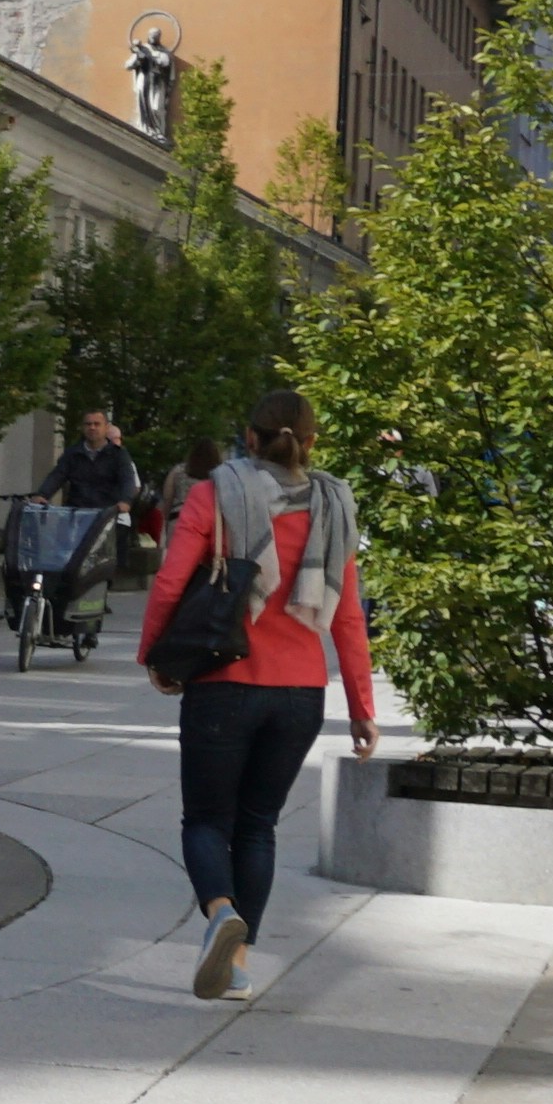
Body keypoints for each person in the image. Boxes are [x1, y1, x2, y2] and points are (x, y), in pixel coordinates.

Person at [141, 386, 377, 1002]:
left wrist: (156, 655)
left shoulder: (216, 491)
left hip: (224, 681)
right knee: (258, 827)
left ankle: (220, 913)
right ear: (312, 442)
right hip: (299, 693)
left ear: (248, 438)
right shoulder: (333, 503)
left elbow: (170, 580)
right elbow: (348, 614)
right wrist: (361, 708)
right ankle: (239, 965)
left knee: (205, 820)